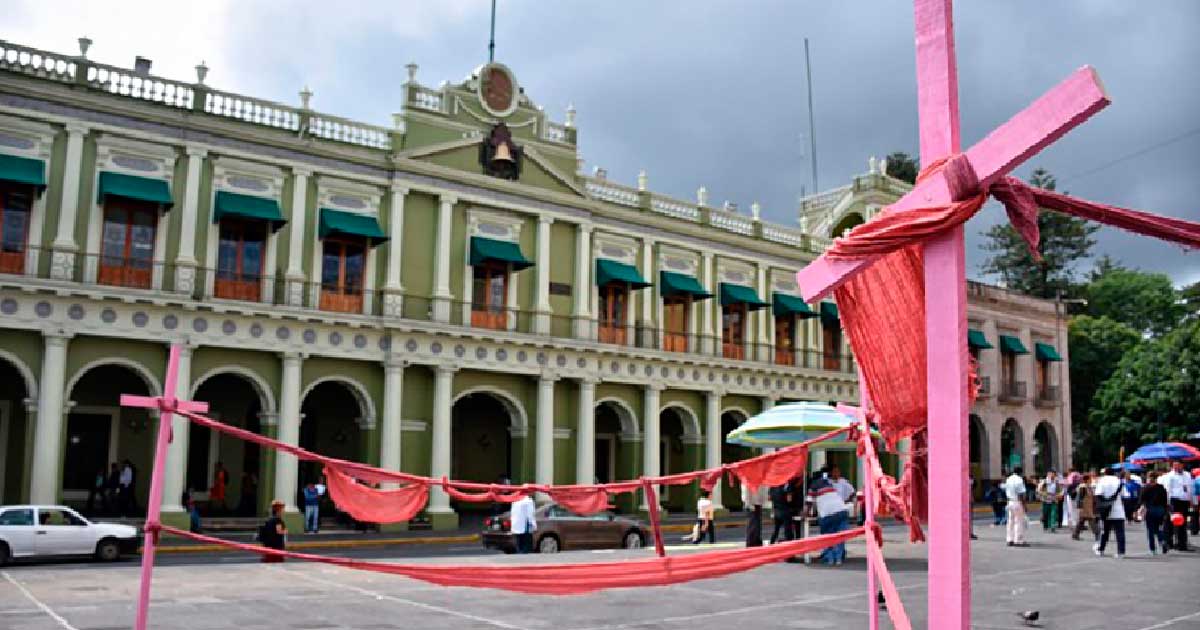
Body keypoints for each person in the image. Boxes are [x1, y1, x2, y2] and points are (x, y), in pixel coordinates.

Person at [809, 471, 849, 565]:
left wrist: (808, 513)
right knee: (840, 536)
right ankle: (838, 558)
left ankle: (829, 558)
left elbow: (809, 503)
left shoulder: (813, 487)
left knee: (827, 536)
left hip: (827, 514)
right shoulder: (830, 485)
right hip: (842, 511)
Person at [1159, 460, 1194, 552]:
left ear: (1182, 465)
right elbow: (1167, 489)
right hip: (1174, 500)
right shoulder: (1170, 476)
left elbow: (1190, 488)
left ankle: (1182, 544)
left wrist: (1192, 500)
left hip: (1184, 501)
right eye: (1174, 465)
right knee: (1173, 522)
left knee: (1182, 523)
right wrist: (1167, 502)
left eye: (1178, 465)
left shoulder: (1187, 475)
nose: (1176, 467)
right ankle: (1169, 542)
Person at [1093, 467, 1126, 558]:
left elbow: (1098, 495)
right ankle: (1121, 552)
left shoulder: (1101, 481)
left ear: (1105, 473)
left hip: (1105, 511)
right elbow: (1124, 495)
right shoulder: (1119, 481)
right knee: (1120, 532)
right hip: (1118, 511)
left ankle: (1101, 549)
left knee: (1104, 532)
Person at [1138, 471, 1169, 555]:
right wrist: (1165, 511)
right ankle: (1162, 540)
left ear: (1149, 478)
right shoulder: (1161, 488)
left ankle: (1152, 549)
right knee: (1158, 528)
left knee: (1150, 530)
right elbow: (1165, 501)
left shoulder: (1146, 488)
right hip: (1160, 510)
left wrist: (1138, 509)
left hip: (1150, 509)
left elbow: (1141, 500)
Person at [1002, 467, 1028, 547]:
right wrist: (1024, 505)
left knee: (1010, 521)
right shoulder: (1019, 480)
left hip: (1010, 501)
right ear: (1020, 472)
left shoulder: (1008, 479)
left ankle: (1010, 539)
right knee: (1019, 521)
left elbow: (1005, 490)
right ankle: (1018, 541)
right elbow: (1021, 494)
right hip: (1017, 501)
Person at [1072, 473, 1099, 541]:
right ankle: (1097, 534)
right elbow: (1080, 498)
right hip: (1084, 508)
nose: (1091, 480)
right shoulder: (1083, 487)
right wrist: (1080, 507)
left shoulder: (1089, 487)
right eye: (1090, 479)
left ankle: (1075, 534)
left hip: (1089, 507)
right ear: (1087, 480)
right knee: (1091, 521)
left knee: (1081, 522)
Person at [741, 481, 768, 547]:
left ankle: (757, 541)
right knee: (752, 525)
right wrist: (749, 504)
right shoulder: (747, 479)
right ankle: (751, 543)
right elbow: (746, 492)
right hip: (752, 504)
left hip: (757, 503)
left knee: (757, 524)